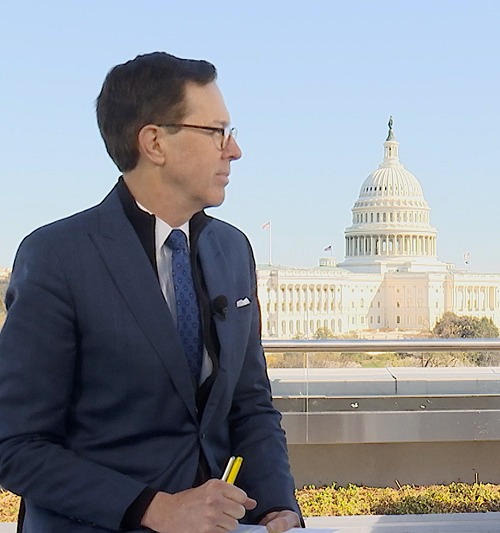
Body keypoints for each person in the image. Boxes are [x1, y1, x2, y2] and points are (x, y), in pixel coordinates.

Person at [0, 52, 302, 532]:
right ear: (154, 142)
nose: (235, 150)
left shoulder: (232, 250)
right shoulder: (57, 256)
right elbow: (17, 446)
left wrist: (276, 506)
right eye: (217, 131)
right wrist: (158, 509)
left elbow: (250, 405)